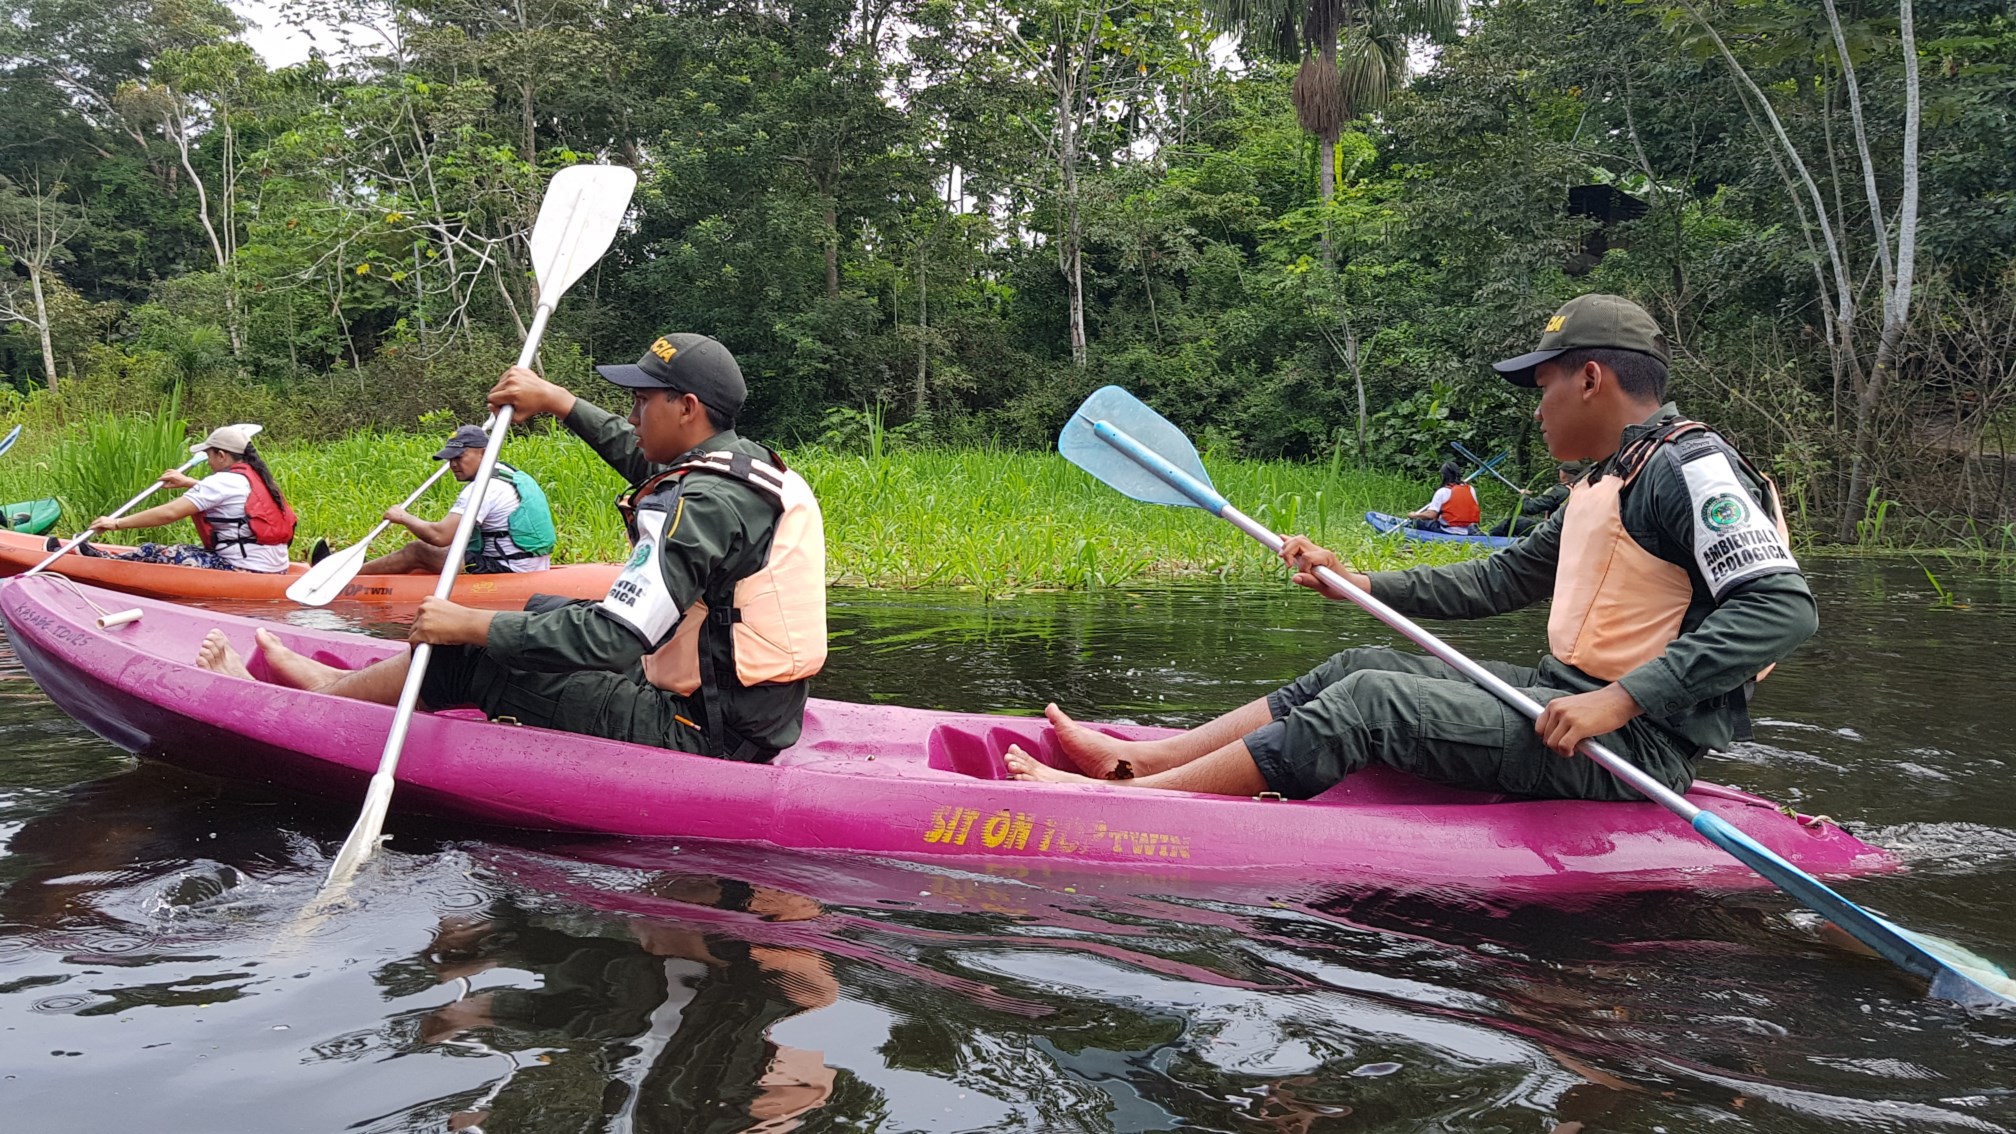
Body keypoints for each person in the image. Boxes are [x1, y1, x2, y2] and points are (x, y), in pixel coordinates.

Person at [1004, 293, 1815, 805]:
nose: (1539, 412)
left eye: (1545, 390)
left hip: (1629, 742)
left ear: (1592, 379)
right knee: (1354, 665)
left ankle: (1130, 809)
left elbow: (1782, 610)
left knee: (1370, 706)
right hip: (1561, 698)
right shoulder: (1607, 475)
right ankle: (1142, 765)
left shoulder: (1688, 467)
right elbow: (1503, 578)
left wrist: (1621, 701)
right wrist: (1361, 582)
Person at [196, 333, 829, 762]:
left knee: (473, 655)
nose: (631, 416)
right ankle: (339, 682)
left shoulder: (705, 502)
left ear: (687, 407)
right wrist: (557, 401)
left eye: (641, 402)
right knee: (542, 609)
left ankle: (321, 698)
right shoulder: (737, 464)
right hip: (741, 706)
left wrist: (469, 623)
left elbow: (614, 637)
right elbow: (640, 455)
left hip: (708, 731)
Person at [49, 425, 296, 573]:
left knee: (158, 551)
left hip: (245, 571)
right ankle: (102, 557)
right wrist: (188, 482)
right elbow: (234, 501)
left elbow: (168, 514)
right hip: (275, 567)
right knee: (184, 550)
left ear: (221, 455)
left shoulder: (221, 482)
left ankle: (97, 562)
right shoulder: (257, 479)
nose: (208, 462)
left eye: (209, 456)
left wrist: (115, 524)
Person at [341, 423, 555, 575]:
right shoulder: (506, 472)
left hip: (508, 567)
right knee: (444, 553)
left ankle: (350, 575)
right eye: (450, 459)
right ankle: (364, 568)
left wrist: (403, 517)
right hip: (527, 562)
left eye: (459, 457)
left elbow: (440, 536)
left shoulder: (484, 488)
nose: (453, 465)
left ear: (484, 452)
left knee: (416, 551)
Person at [1488, 461, 1586, 537]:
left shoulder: (1561, 490)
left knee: (1513, 521)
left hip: (1553, 531)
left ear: (1563, 474)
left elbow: (1530, 508)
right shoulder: (1584, 488)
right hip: (1572, 530)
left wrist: (1524, 497)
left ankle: (1486, 539)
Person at [1406, 461, 1482, 534]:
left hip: (1448, 529)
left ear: (1443, 475)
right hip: (1469, 529)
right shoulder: (1470, 489)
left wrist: (1415, 515)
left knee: (1418, 522)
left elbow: (1431, 515)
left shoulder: (1443, 491)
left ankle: (1397, 522)